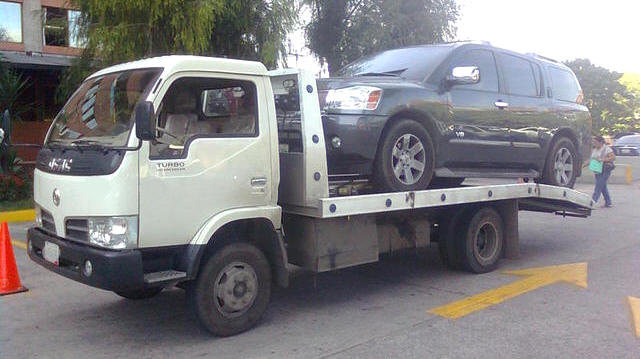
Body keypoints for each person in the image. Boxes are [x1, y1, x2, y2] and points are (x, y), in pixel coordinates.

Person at [584, 135, 616, 208]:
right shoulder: (595, 150)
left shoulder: (606, 149)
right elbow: (591, 159)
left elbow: (613, 157)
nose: (594, 144)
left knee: (598, 186)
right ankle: (608, 202)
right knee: (603, 187)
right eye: (593, 142)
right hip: (597, 170)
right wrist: (583, 165)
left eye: (595, 142)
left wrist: (602, 159)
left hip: (605, 170)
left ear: (601, 142)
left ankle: (592, 202)